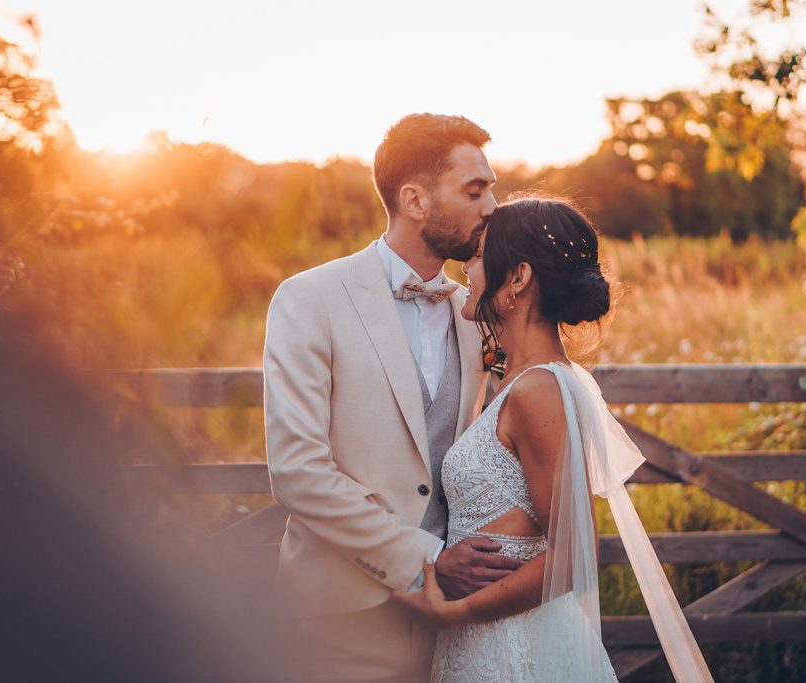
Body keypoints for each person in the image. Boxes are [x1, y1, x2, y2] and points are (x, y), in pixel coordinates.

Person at [392, 196, 714, 682]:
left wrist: (456, 614)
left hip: (512, 645)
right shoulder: (518, 381)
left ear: (518, 278)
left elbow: (570, 557)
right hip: (486, 640)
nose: (467, 268)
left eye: (478, 255)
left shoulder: (538, 390)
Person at [263, 113, 523, 682]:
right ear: (415, 200)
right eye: (474, 191)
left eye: (492, 191)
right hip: (342, 618)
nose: (490, 209)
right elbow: (298, 471)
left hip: (460, 621)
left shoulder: (473, 310)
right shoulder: (310, 299)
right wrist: (425, 558)